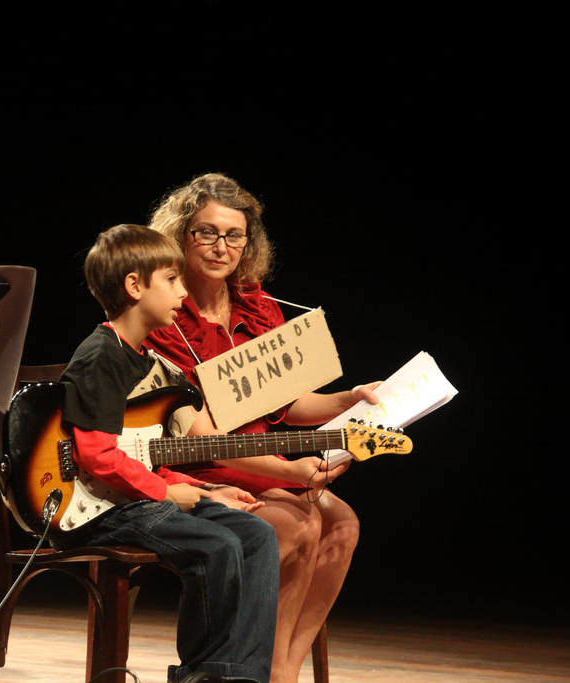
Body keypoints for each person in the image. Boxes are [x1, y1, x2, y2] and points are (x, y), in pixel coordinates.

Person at [144, 173, 380, 683]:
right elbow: (191, 435)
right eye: (207, 233)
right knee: (300, 521)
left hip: (263, 461)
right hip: (198, 465)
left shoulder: (258, 305)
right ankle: (261, 670)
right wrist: (288, 472)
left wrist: (348, 398)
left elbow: (286, 405)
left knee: (343, 523)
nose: (221, 247)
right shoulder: (164, 313)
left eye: (234, 235)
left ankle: (282, 670)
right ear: (180, 235)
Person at [59, 224, 280, 683]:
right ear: (134, 286)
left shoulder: (146, 361)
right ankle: (203, 674)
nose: (182, 292)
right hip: (104, 507)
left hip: (134, 495)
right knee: (217, 546)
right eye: (172, 279)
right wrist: (165, 492)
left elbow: (138, 454)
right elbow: (97, 456)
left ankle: (240, 674)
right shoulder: (102, 356)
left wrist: (204, 490)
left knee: (257, 535)